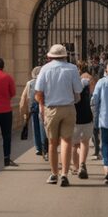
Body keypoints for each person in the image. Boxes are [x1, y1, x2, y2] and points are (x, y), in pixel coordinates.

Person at [34, 43, 83, 186]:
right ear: (65, 56)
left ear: (50, 56)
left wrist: (42, 106)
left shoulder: (45, 69)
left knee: (52, 143)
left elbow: (38, 91)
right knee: (67, 141)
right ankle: (64, 174)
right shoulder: (72, 68)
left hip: (51, 108)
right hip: (68, 108)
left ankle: (54, 173)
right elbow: (78, 90)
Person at [18, 66, 48, 159]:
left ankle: (38, 148)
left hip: (33, 107)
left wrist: (23, 111)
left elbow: (24, 98)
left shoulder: (30, 83)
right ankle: (45, 148)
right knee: (43, 127)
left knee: (35, 127)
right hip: (43, 105)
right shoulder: (45, 82)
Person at [72, 62, 95, 179]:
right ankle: (82, 164)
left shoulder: (71, 85)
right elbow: (92, 96)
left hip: (75, 117)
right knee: (85, 142)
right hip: (87, 115)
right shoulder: (88, 81)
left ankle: (76, 167)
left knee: (74, 145)